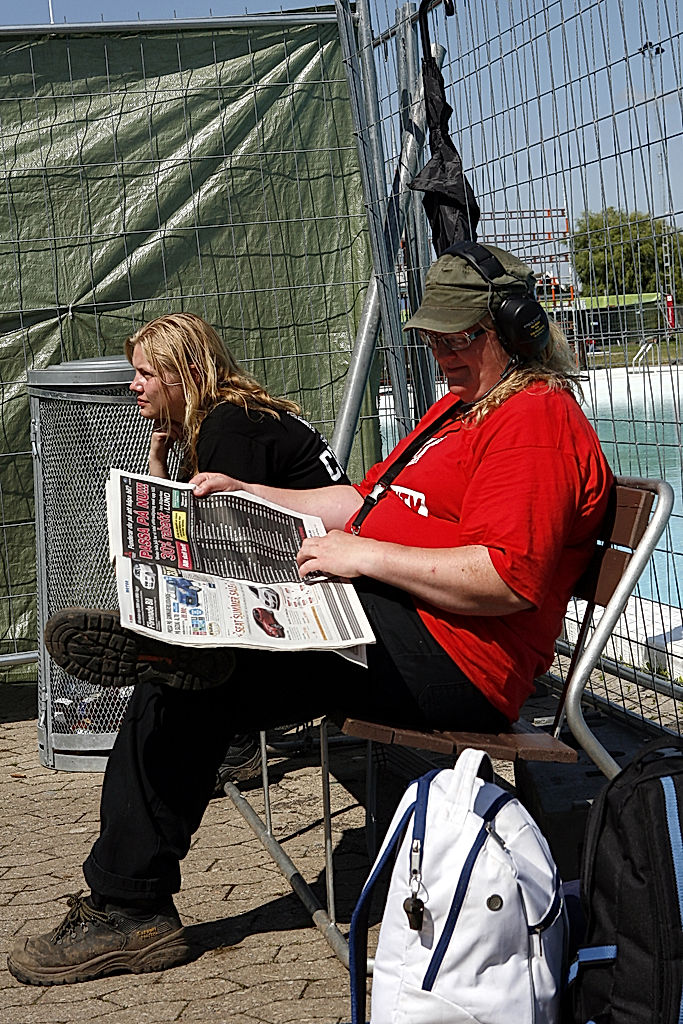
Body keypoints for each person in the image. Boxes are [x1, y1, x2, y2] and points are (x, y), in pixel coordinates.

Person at [9, 243, 613, 987]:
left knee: (198, 669)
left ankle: (129, 903)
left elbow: (503, 580)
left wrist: (364, 557)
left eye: (460, 337)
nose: (442, 354)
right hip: (397, 621)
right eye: (433, 338)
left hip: (457, 661)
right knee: (184, 677)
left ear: (517, 330)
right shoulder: (460, 409)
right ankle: (132, 892)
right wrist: (252, 495)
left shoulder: (533, 419)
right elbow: (363, 500)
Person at [125, 312, 349, 785]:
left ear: (185, 374)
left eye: (145, 373)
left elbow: (222, 548)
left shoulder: (229, 427)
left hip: (328, 585)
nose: (134, 385)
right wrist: (158, 461)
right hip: (313, 562)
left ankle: (234, 740)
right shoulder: (220, 417)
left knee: (203, 595)